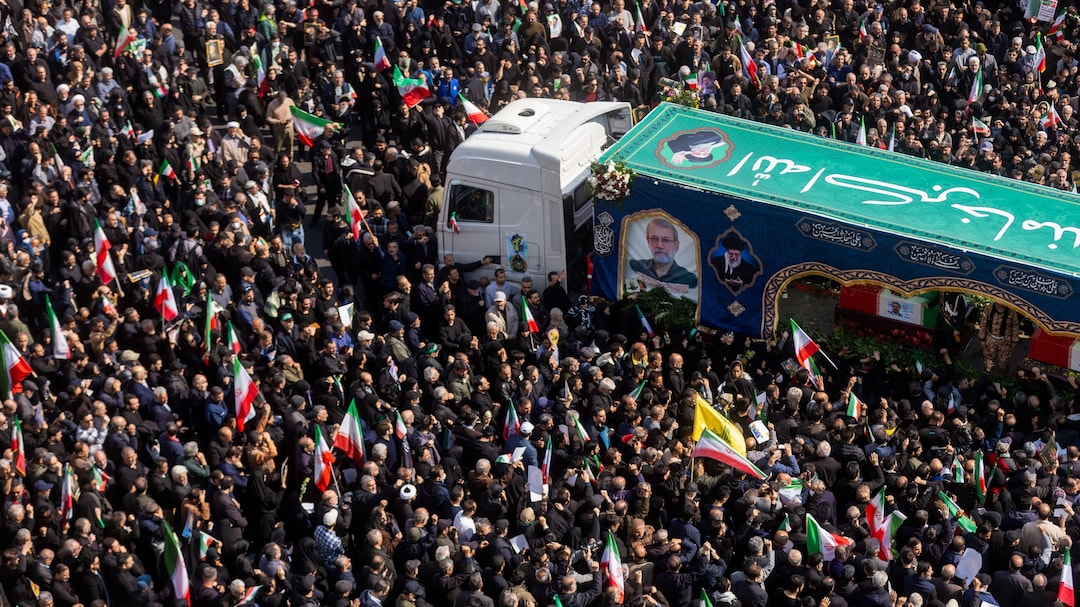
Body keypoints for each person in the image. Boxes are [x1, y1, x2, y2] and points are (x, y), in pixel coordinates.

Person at [627, 216, 699, 293]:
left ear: (676, 246)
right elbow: (630, 293)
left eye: (666, 240)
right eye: (654, 239)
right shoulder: (635, 266)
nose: (659, 245)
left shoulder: (689, 279)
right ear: (648, 241)